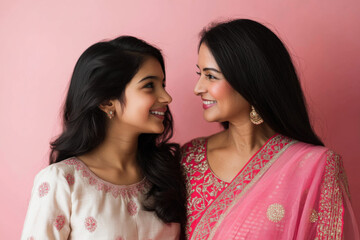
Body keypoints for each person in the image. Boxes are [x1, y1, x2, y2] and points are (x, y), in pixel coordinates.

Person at [181, 19, 359, 239]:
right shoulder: (189, 157)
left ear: (249, 81)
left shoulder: (315, 167)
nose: (198, 88)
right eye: (199, 74)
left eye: (211, 76)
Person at [21, 36, 186, 239]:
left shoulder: (165, 175)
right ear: (107, 102)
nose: (166, 97)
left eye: (163, 84)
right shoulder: (62, 182)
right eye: (150, 86)